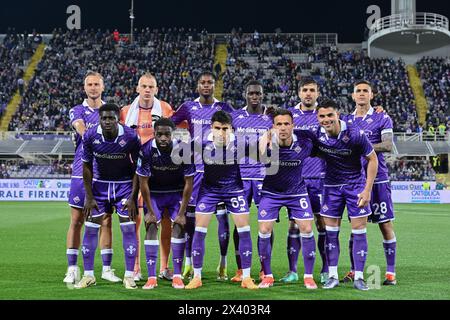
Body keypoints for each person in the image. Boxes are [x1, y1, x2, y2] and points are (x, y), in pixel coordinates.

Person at [297, 98, 378, 291]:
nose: (326, 119)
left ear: (337, 115)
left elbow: (372, 159)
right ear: (317, 117)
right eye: (322, 116)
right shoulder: (316, 134)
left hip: (355, 186)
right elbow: (290, 132)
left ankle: (359, 277)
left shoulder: (355, 133)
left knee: (359, 231)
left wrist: (367, 190)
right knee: (330, 233)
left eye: (329, 115)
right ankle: (332, 275)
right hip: (331, 187)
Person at [183, 110, 258, 290]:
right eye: (218, 128)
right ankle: (197, 276)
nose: (221, 133)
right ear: (212, 128)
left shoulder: (241, 143)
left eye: (225, 129)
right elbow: (182, 153)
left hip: (235, 190)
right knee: (199, 231)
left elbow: (261, 152)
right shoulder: (201, 143)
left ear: (231, 129)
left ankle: (246, 277)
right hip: (209, 191)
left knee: (245, 231)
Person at [171, 71, 234, 281]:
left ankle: (223, 263)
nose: (206, 86)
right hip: (196, 171)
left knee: (222, 218)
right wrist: (183, 143)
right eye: (203, 83)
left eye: (210, 83)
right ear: (197, 86)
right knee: (191, 220)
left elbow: (238, 126)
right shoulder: (188, 107)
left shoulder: (224, 107)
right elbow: (170, 124)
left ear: (214, 86)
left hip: (219, 169)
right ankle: (189, 263)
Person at [75, 103, 141, 289]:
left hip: (124, 186)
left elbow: (138, 167)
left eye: (111, 118)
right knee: (90, 228)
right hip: (99, 186)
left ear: (118, 118)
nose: (107, 121)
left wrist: (133, 197)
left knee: (128, 229)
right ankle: (88, 275)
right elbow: (86, 166)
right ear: (99, 119)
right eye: (104, 118)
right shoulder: (90, 135)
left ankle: (129, 276)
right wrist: (88, 197)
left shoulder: (130, 136)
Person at [64, 72, 119, 285]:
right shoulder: (77, 110)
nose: (93, 88)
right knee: (76, 220)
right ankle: (72, 268)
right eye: (90, 84)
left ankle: (106, 269)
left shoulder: (113, 111)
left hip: (105, 173)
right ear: (84, 87)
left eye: (97, 84)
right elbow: (81, 128)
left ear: (103, 86)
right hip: (81, 171)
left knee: (106, 221)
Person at [341, 80, 397, 286]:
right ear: (353, 96)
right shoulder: (345, 120)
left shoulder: (382, 117)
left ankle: (391, 273)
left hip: (379, 178)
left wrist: (361, 146)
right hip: (354, 180)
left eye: (366, 91)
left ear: (372, 95)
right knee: (356, 226)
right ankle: (354, 270)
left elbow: (388, 145)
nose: (362, 94)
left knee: (385, 224)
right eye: (358, 91)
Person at [120, 73, 174, 282]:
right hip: (134, 172)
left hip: (161, 172)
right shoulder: (126, 112)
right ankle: (135, 267)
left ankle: (164, 266)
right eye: (144, 86)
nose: (147, 90)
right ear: (137, 89)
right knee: (135, 219)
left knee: (165, 219)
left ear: (156, 89)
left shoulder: (166, 109)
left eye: (151, 86)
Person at [257, 109, 318, 290]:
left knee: (307, 228)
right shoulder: (267, 145)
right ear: (273, 127)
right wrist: (266, 138)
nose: (283, 128)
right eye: (279, 124)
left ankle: (308, 276)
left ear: (293, 126)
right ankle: (267, 275)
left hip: (297, 192)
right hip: (271, 192)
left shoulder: (304, 146)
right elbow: (262, 158)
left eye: (286, 124)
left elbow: (318, 141)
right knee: (264, 229)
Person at [136, 118, 194, 289]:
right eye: (159, 134)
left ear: (172, 134)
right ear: (154, 134)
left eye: (166, 134)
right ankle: (152, 277)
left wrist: (182, 213)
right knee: (151, 225)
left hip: (176, 193)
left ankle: (177, 275)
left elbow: (189, 183)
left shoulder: (183, 150)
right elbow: (143, 182)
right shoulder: (146, 149)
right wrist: (149, 211)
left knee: (179, 226)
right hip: (154, 194)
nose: (163, 138)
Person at [285, 77, 328, 285]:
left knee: (323, 224)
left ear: (317, 93)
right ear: (299, 92)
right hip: (296, 179)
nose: (308, 93)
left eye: (312, 90)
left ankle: (326, 269)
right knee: (294, 225)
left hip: (321, 179)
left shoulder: (325, 114)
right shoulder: (290, 116)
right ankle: (292, 271)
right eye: (305, 90)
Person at [230, 80, 273, 282]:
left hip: (264, 176)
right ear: (245, 95)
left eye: (258, 93)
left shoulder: (271, 117)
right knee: (240, 224)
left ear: (262, 95)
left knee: (266, 225)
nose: (254, 96)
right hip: (240, 176)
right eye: (251, 93)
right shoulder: (235, 117)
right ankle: (240, 269)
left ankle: (265, 269)